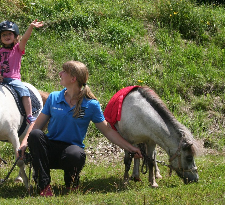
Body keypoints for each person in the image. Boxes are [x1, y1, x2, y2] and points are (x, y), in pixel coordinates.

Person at [19, 61, 142, 197]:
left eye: (63, 72)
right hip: (49, 150)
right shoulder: (54, 97)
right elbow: (36, 124)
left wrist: (130, 148)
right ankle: (44, 186)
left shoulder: (91, 104)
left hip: (71, 151)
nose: (60, 74)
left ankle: (71, 183)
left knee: (75, 154)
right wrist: (24, 143)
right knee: (35, 135)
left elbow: (107, 131)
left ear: (73, 79)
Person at [0, 20, 44, 124]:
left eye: (10, 34)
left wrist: (31, 27)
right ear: (0, 38)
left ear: (16, 36)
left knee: (24, 91)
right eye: (4, 34)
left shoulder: (17, 49)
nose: (7, 36)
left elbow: (25, 39)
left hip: (12, 79)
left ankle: (29, 115)